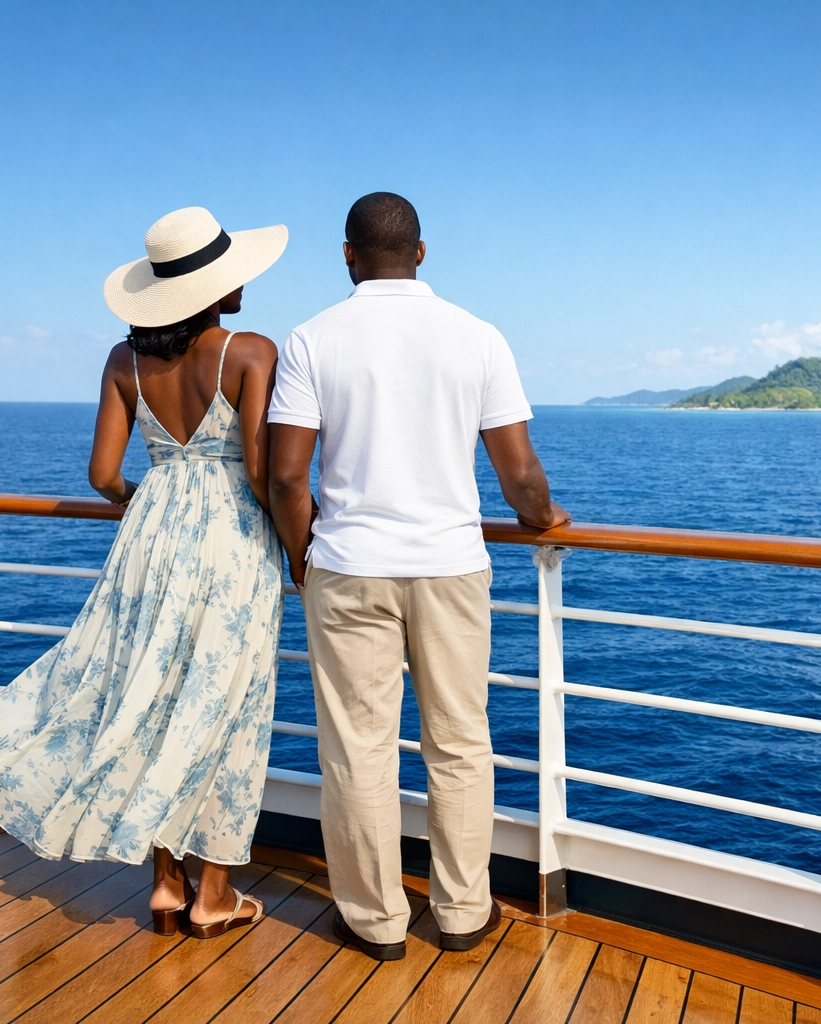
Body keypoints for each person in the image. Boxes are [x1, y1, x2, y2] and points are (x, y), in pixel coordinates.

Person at [0, 206, 288, 940]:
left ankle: (164, 884)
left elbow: (102, 475)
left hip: (149, 539)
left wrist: (148, 499)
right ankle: (215, 895)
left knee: (144, 695)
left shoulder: (124, 361)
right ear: (212, 288)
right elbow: (260, 471)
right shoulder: (251, 351)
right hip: (230, 543)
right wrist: (297, 546)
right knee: (225, 707)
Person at [267, 192, 570, 960]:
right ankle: (464, 912)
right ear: (423, 253)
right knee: (461, 742)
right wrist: (546, 520)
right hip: (449, 567)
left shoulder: (312, 339)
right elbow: (520, 473)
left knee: (358, 750)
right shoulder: (477, 337)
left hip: (348, 565)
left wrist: (302, 557)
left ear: (347, 254)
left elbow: (286, 477)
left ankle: (374, 921)